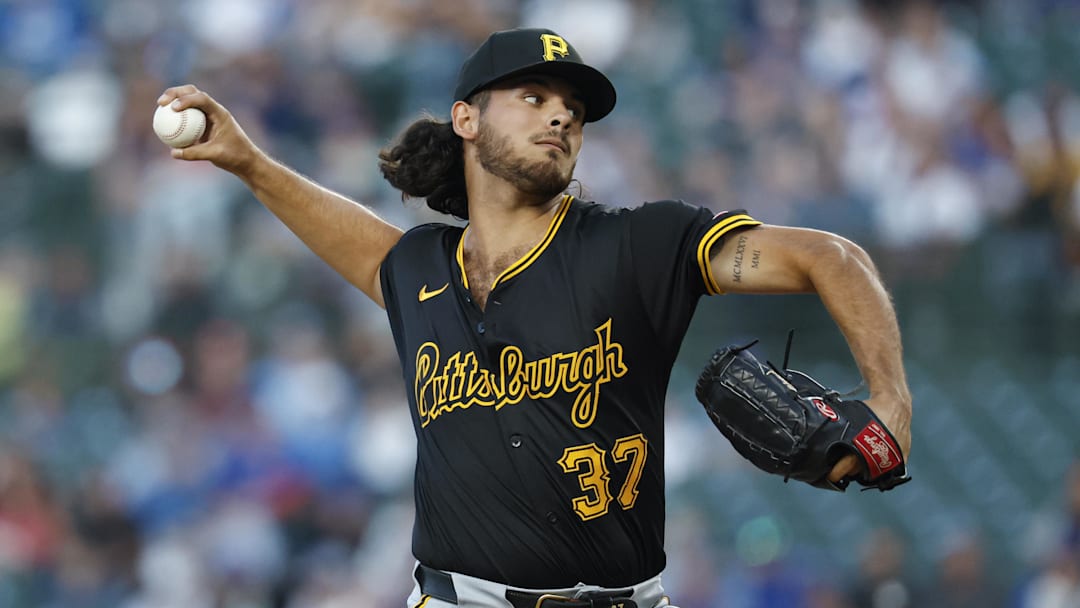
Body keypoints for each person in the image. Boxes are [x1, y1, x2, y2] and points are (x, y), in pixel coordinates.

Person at [156, 27, 912, 608]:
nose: (561, 117)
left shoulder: (638, 245)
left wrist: (891, 401)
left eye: (574, 110)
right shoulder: (421, 270)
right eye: (534, 97)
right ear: (467, 118)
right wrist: (247, 160)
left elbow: (829, 257)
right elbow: (351, 237)